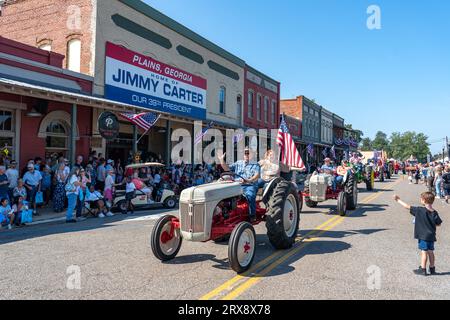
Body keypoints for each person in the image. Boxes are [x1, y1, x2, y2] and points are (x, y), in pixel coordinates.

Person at [393, 192, 442, 276]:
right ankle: (432, 268)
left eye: (421, 199)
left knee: (424, 252)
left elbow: (406, 206)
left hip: (423, 236)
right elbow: (438, 224)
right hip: (431, 235)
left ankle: (423, 269)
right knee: (431, 252)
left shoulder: (419, 210)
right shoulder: (435, 212)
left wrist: (398, 200)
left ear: (423, 200)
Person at [218, 147, 260, 222]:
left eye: (248, 153)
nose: (247, 155)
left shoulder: (255, 164)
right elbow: (226, 168)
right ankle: (224, 213)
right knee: (224, 194)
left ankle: (252, 215)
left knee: (250, 196)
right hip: (237, 185)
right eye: (245, 153)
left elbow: (256, 176)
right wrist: (221, 160)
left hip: (249, 185)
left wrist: (248, 180)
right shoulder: (238, 163)